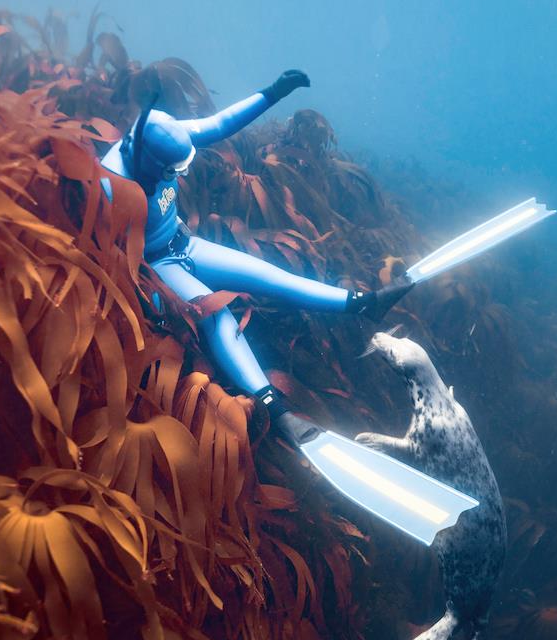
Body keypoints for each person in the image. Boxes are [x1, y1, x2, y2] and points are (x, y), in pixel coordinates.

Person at [99, 69, 412, 444]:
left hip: (184, 243)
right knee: (218, 320)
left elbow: (218, 124)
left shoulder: (163, 133)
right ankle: (276, 409)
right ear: (150, 163)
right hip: (160, 267)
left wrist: (273, 93)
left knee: (266, 275)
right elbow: (104, 256)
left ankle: (362, 304)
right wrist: (150, 300)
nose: (178, 176)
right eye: (173, 171)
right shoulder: (109, 183)